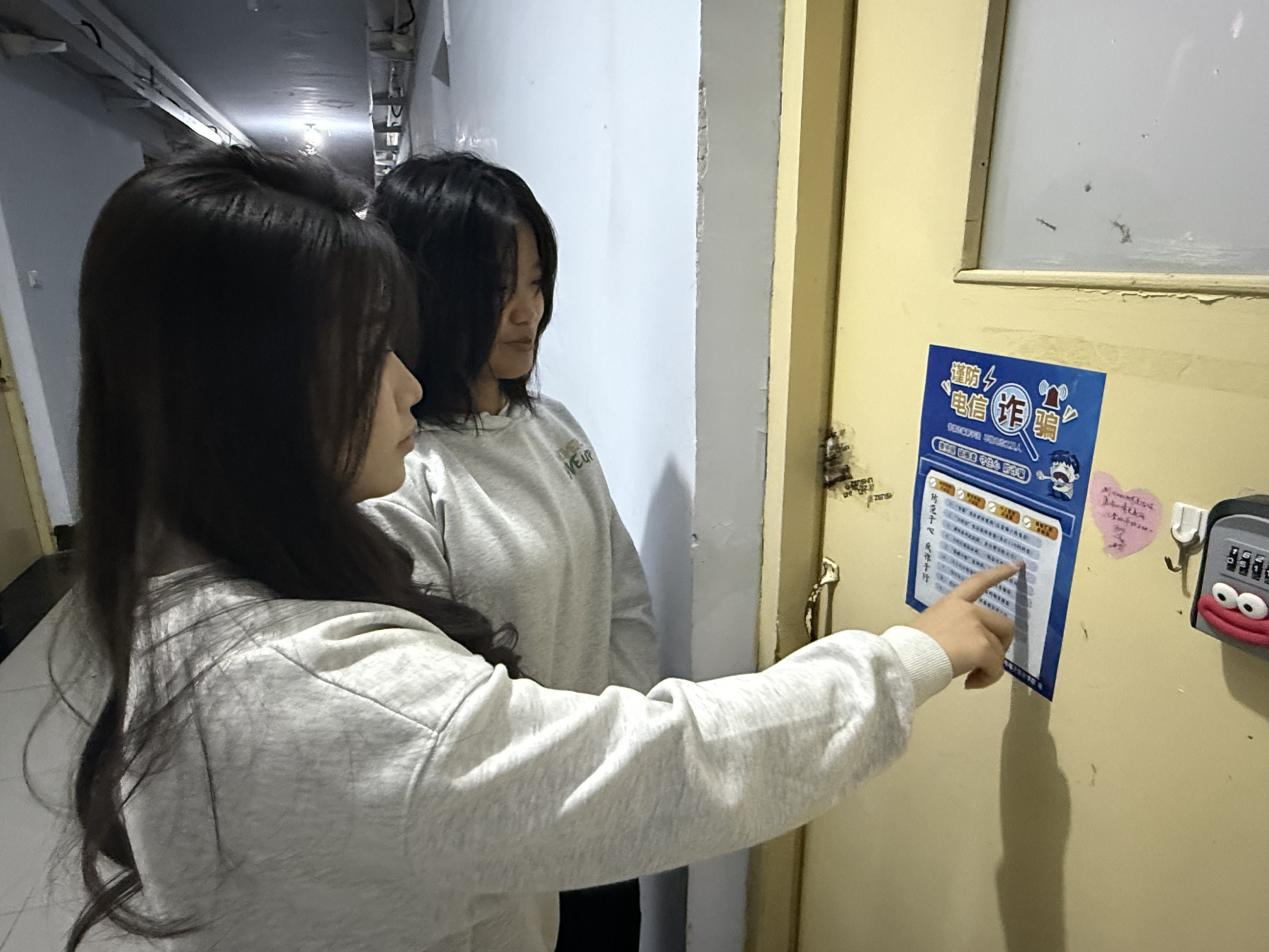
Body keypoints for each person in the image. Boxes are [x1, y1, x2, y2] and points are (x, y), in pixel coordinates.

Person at [52, 146, 1017, 952]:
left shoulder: (207, 598)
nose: (403, 384)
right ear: (250, 391)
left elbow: (618, 606)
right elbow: (667, 764)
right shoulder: (327, 688)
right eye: (369, 350)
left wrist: (600, 719)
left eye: (535, 285)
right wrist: (909, 657)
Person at [362, 153, 656, 948]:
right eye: (496, 290)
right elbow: (431, 697)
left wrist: (620, 747)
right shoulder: (402, 473)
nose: (527, 312)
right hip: (505, 834)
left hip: (602, 802)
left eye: (535, 281)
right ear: (424, 293)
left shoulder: (553, 426)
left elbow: (623, 598)